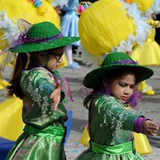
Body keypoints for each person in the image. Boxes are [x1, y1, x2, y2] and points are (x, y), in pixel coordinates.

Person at [1, 19, 79, 159]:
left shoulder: (47, 73)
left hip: (51, 142)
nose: (61, 60)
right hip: (41, 146)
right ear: (42, 55)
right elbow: (42, 85)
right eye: (58, 56)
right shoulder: (33, 76)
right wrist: (52, 92)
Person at [75, 52, 159, 160]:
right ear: (106, 82)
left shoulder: (119, 101)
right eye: (123, 85)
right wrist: (140, 123)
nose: (127, 91)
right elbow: (120, 114)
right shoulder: (102, 102)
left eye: (131, 86)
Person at [61, 0, 80, 69]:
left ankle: (69, 60)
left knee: (69, 40)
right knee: (68, 39)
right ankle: (69, 60)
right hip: (70, 18)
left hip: (72, 17)